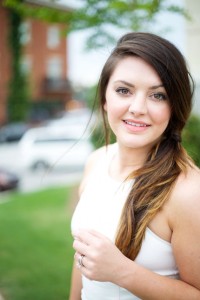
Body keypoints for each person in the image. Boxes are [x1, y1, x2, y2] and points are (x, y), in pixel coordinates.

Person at [69, 32, 200, 299]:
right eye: (124, 90)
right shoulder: (97, 162)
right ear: (105, 98)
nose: (138, 107)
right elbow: (83, 260)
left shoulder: (188, 192)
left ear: (174, 107)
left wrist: (121, 271)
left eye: (158, 95)